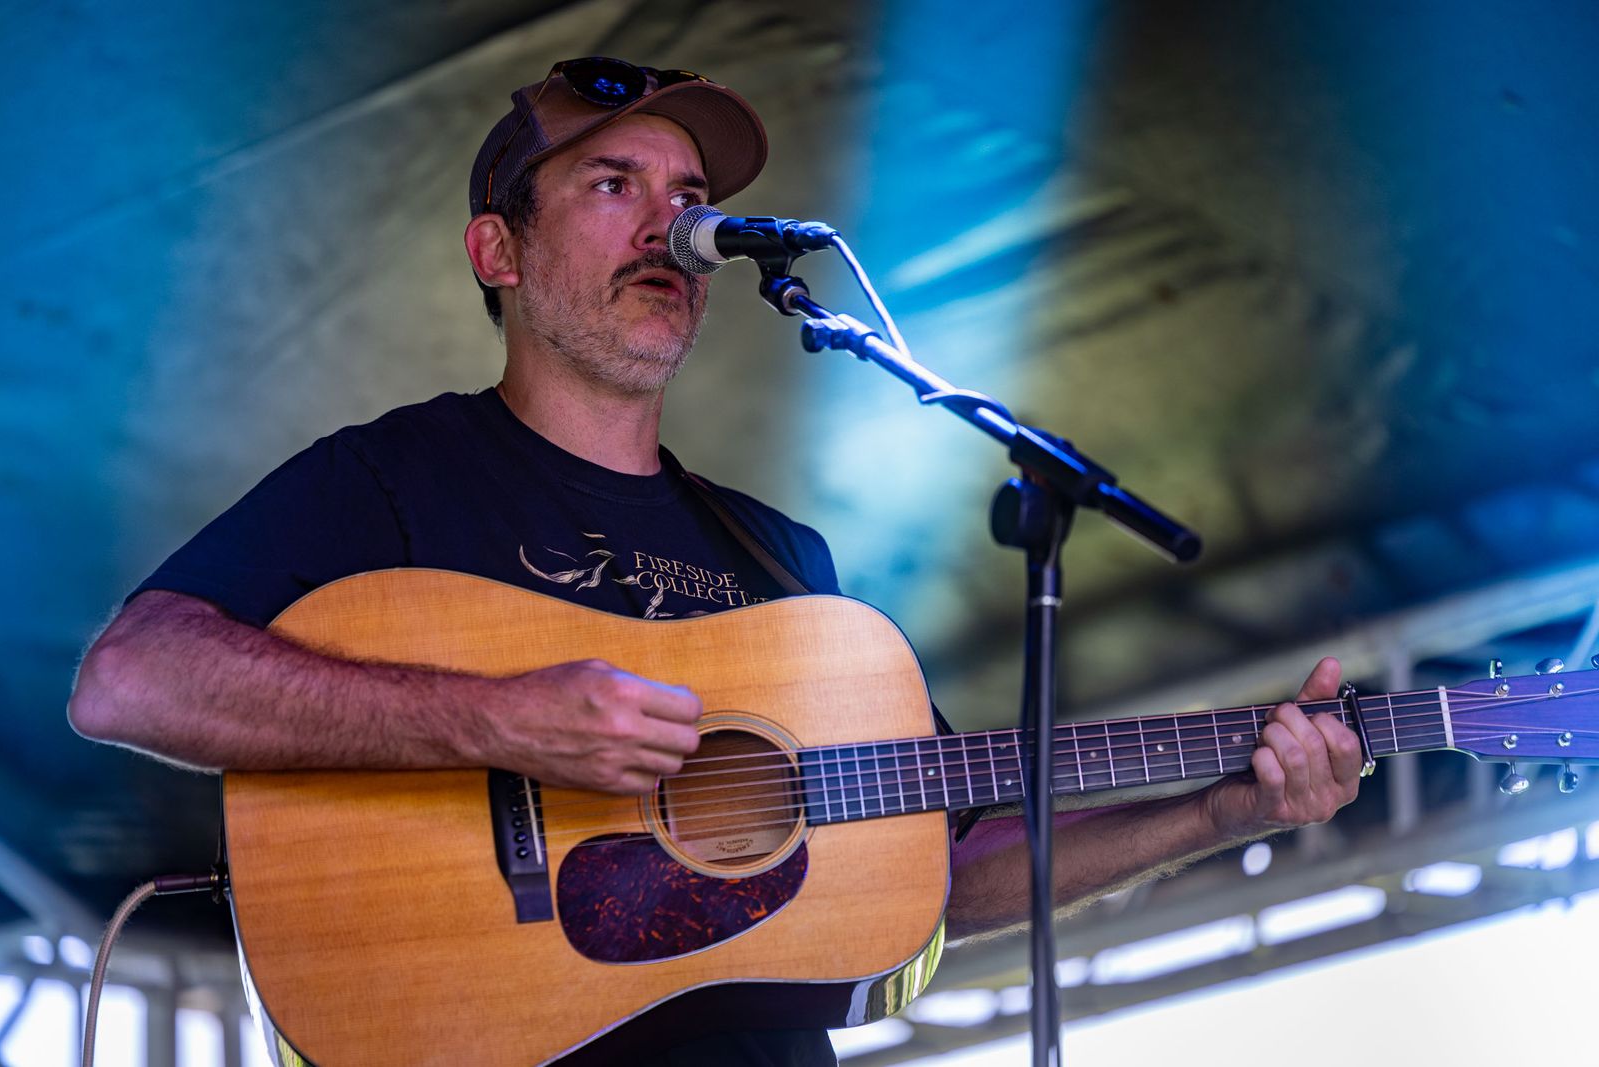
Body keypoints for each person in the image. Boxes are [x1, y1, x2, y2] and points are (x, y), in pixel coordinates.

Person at [68, 57, 1363, 1066]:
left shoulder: (782, 561)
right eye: (612, 185)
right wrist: (497, 720)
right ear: (498, 252)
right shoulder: (392, 477)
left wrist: (1223, 813)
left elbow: (940, 870)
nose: (672, 227)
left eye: (691, 199)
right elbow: (130, 680)